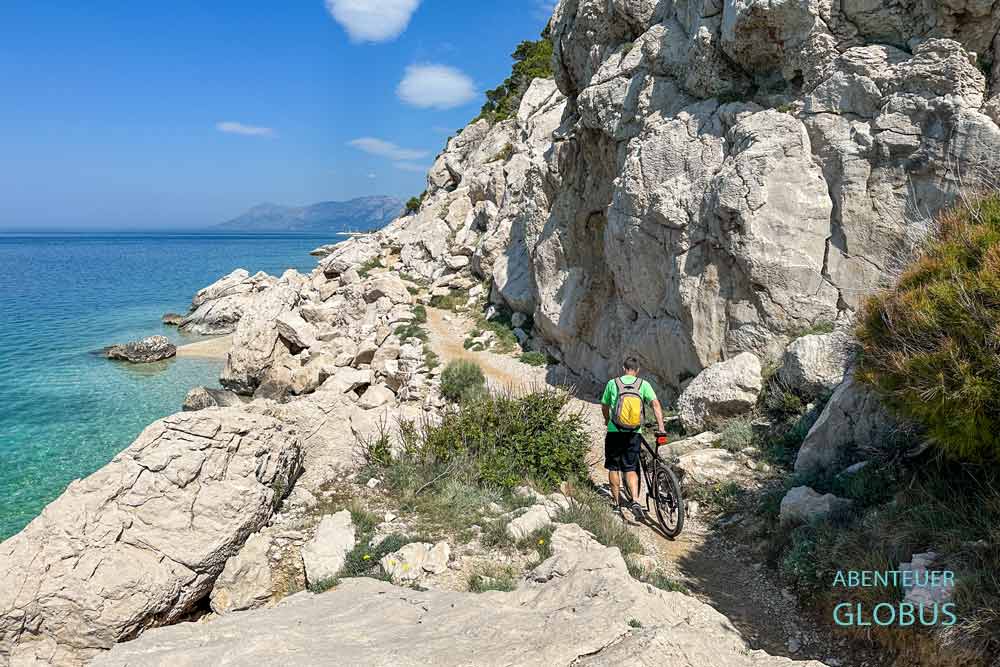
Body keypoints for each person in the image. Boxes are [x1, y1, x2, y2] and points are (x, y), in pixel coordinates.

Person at [600, 357, 666, 521]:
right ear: (637, 370)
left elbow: (605, 405)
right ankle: (635, 501)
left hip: (615, 431)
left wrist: (607, 420)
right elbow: (656, 404)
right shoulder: (643, 385)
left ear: (624, 368)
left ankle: (616, 505)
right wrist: (661, 427)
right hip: (634, 432)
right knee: (630, 468)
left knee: (614, 467)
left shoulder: (612, 383)